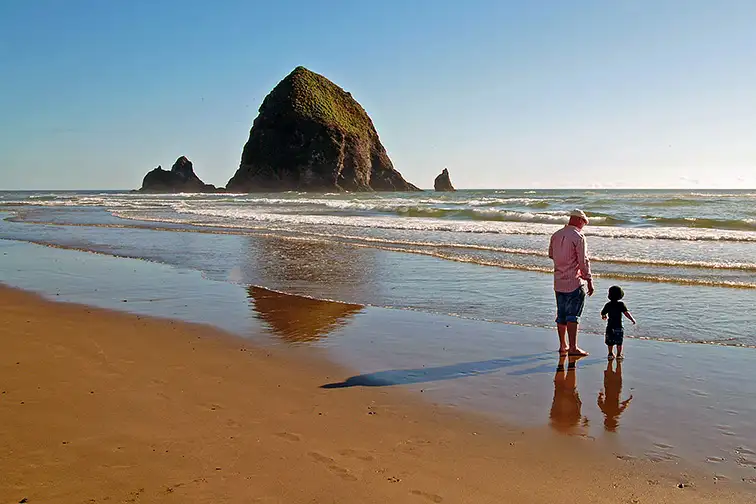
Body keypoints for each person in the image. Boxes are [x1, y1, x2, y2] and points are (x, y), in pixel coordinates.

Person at [548, 209, 594, 356]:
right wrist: (589, 279)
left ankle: (563, 345)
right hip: (574, 281)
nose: (583, 226)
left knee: (561, 314)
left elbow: (551, 255)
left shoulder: (556, 235)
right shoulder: (578, 236)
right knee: (573, 315)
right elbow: (583, 261)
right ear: (579, 220)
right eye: (584, 223)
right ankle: (573, 347)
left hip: (558, 281)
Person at [597, 359, 633, 432]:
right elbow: (599, 402)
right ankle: (614, 363)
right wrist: (600, 395)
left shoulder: (615, 412)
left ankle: (615, 363)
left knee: (617, 374)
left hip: (614, 390)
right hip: (611, 390)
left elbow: (599, 402)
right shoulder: (606, 411)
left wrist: (628, 400)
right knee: (614, 373)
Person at [601, 285, 636, 360]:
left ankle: (610, 353)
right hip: (619, 326)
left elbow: (603, 312)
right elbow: (626, 313)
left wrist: (604, 316)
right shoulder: (621, 304)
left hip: (610, 326)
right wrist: (632, 319)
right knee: (619, 342)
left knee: (610, 341)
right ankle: (619, 354)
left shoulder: (608, 304)